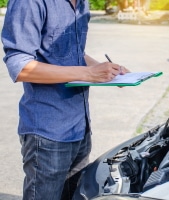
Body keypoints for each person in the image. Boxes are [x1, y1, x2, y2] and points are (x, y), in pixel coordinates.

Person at [1, 0, 129, 199]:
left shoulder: (81, 4)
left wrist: (107, 72)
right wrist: (88, 73)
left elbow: (74, 52)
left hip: (80, 126)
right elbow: (19, 64)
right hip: (47, 133)